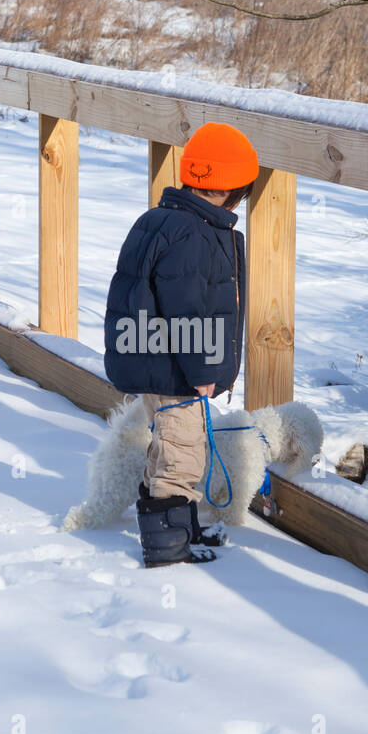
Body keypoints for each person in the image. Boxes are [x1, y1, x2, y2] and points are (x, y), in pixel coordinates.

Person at [103, 122, 258, 568]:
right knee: (182, 457)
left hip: (152, 361)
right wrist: (205, 371)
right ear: (231, 190)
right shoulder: (193, 236)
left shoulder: (159, 220)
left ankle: (180, 527)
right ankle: (167, 549)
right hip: (177, 371)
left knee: (166, 448)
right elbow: (189, 312)